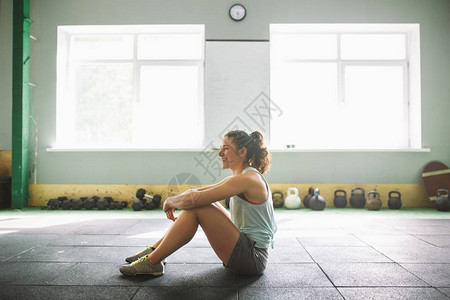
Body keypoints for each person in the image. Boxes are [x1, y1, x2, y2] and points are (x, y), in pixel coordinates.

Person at [120, 130, 277, 277]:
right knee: (202, 203)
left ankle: (152, 262)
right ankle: (155, 252)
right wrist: (179, 199)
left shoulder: (247, 179)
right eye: (221, 148)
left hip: (252, 259)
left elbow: (195, 199)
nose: (220, 153)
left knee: (199, 206)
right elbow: (199, 192)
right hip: (248, 250)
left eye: (226, 149)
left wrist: (171, 201)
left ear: (242, 152)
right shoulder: (243, 177)